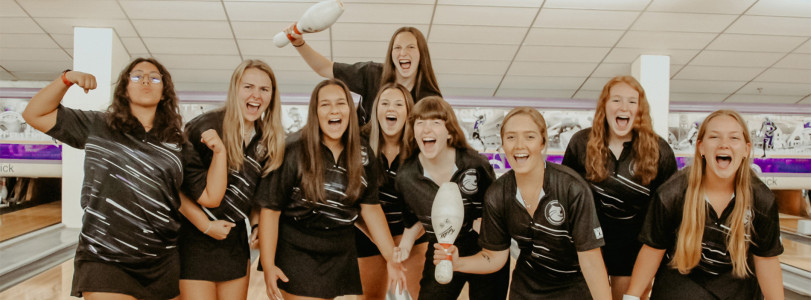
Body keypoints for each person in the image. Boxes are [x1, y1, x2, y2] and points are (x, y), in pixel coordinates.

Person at [22, 58, 226, 300]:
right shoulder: (98, 125)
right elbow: (34, 114)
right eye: (137, 76)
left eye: (155, 77)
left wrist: (220, 153)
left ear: (164, 92)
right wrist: (65, 80)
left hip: (160, 261)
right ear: (124, 89)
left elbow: (211, 197)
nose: (146, 81)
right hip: (104, 257)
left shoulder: (177, 143)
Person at [433, 107, 611, 299]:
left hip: (574, 290)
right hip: (526, 290)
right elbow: (494, 256)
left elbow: (591, 262)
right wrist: (458, 263)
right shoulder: (497, 194)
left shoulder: (572, 188)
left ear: (543, 142)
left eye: (529, 137)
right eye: (511, 137)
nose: (519, 146)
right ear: (502, 143)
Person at [257, 79, 406, 300]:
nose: (334, 110)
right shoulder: (292, 149)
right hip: (297, 248)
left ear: (349, 110)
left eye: (340, 103)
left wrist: (390, 259)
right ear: (315, 112)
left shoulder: (363, 154)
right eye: (325, 104)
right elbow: (271, 210)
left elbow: (371, 208)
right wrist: (268, 265)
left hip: (339, 250)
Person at [624, 110, 784, 300]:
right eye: (714, 137)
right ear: (700, 147)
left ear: (746, 149)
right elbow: (653, 249)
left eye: (734, 138)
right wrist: (632, 297)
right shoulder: (673, 193)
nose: (724, 144)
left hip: (738, 287)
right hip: (682, 285)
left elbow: (766, 259)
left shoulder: (761, 199)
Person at [177, 59, 286, 300]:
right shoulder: (204, 127)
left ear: (272, 96)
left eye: (264, 89)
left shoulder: (268, 139)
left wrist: (256, 224)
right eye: (248, 86)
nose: (256, 95)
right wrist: (206, 226)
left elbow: (259, 195)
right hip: (193, 241)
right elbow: (173, 189)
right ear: (235, 88)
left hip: (234, 243)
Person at [562, 75, 677, 299]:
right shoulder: (580, 143)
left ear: (640, 109)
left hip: (635, 247)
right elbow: (567, 195)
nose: (624, 107)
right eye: (616, 100)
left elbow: (669, 211)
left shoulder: (659, 150)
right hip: (590, 244)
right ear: (604, 106)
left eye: (632, 102)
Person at [395, 96, 509, 300]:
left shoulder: (476, 164)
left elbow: (497, 209)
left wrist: (488, 225)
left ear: (449, 132)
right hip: (441, 249)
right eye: (419, 123)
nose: (426, 129)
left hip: (484, 248)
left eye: (435, 122)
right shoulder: (406, 177)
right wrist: (405, 244)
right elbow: (413, 221)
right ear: (413, 131)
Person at [282, 25, 441, 125]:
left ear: (422, 54)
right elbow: (324, 68)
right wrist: (299, 44)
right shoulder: (372, 74)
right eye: (397, 47)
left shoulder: (430, 98)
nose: (403, 53)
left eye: (411, 47)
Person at [355, 82, 426, 299]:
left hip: (412, 235)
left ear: (408, 113)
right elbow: (352, 204)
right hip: (368, 235)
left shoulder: (421, 147)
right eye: (384, 103)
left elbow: (431, 205)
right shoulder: (360, 144)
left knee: (420, 296)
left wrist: (405, 242)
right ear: (376, 110)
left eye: (398, 104)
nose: (390, 109)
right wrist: (383, 243)